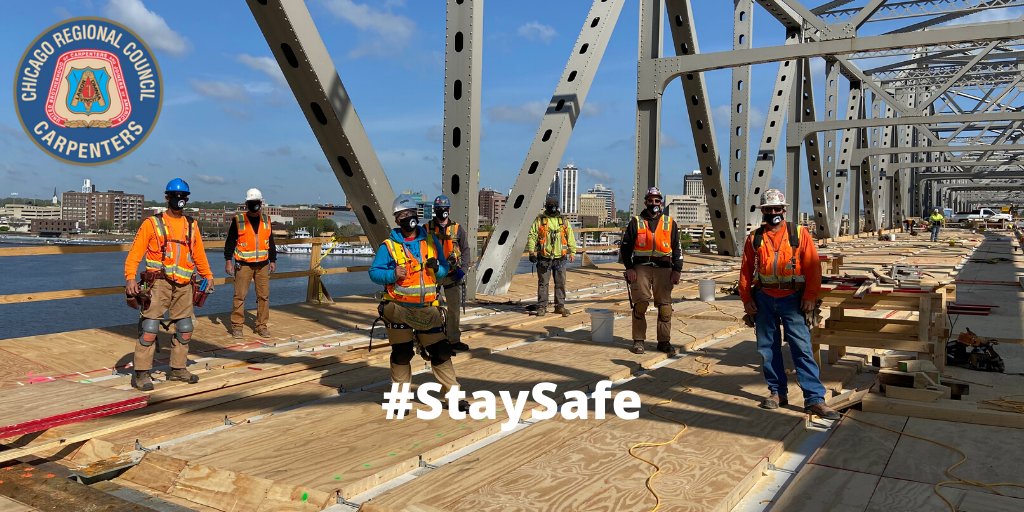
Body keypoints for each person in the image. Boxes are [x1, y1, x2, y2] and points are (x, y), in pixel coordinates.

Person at [739, 188, 840, 420]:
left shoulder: (798, 233)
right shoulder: (754, 238)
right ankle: (777, 393)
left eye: (776, 209)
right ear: (762, 211)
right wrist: (747, 300)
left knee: (802, 348)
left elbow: (813, 266)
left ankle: (814, 399)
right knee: (767, 349)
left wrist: (810, 296)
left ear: (783, 211)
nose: (773, 212)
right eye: (768, 209)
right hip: (764, 297)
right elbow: (745, 271)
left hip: (794, 298)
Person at [369, 194, 469, 412]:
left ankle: (453, 397)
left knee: (441, 351)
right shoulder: (389, 247)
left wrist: (438, 269)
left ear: (417, 214)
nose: (408, 218)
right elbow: (374, 273)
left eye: (411, 214)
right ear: (397, 220)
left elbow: (442, 271)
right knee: (402, 353)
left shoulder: (430, 243)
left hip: (426, 308)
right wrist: (392, 274)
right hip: (398, 308)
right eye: (402, 215)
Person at [124, 178, 214, 391]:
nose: (179, 200)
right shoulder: (152, 224)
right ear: (167, 198)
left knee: (185, 328)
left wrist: (207, 276)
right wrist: (130, 277)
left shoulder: (191, 225)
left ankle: (178, 368)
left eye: (183, 196)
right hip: (158, 284)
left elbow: (198, 253)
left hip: (184, 285)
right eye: (175, 196)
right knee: (150, 328)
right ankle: (142, 373)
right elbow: (135, 253)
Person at [620, 187, 682, 356]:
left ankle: (664, 341)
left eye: (657, 200)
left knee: (665, 308)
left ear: (661, 202)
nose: (654, 203)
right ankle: (639, 341)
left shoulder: (669, 223)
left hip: (664, 268)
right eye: (651, 200)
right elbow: (625, 249)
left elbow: (677, 249)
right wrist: (630, 268)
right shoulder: (636, 222)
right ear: (646, 202)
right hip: (641, 268)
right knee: (640, 304)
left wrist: (677, 270)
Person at [224, 188, 277, 339]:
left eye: (256, 203)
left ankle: (261, 326)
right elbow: (230, 242)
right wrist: (228, 261)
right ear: (247, 204)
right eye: (251, 203)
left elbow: (270, 242)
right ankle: (237, 327)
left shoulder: (266, 220)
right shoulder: (238, 220)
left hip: (263, 264)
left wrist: (273, 260)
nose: (254, 205)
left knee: (264, 296)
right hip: (244, 264)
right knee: (240, 296)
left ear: (261, 203)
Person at [426, 195, 471, 351]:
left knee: (453, 309)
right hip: (434, 275)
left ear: (449, 210)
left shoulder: (457, 229)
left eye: (444, 210)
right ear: (435, 211)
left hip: (453, 274)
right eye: (439, 210)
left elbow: (465, 250)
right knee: (433, 308)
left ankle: (453, 339)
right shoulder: (427, 228)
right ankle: (435, 339)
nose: (442, 213)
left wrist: (463, 270)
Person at [526, 197, 577, 316]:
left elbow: (570, 236)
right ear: (547, 206)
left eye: (553, 205)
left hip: (560, 258)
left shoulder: (563, 221)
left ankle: (560, 306)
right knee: (543, 283)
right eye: (550, 205)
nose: (552, 208)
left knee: (560, 283)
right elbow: (532, 236)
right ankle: (542, 307)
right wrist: (531, 252)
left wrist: (572, 252)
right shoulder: (540, 220)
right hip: (544, 258)